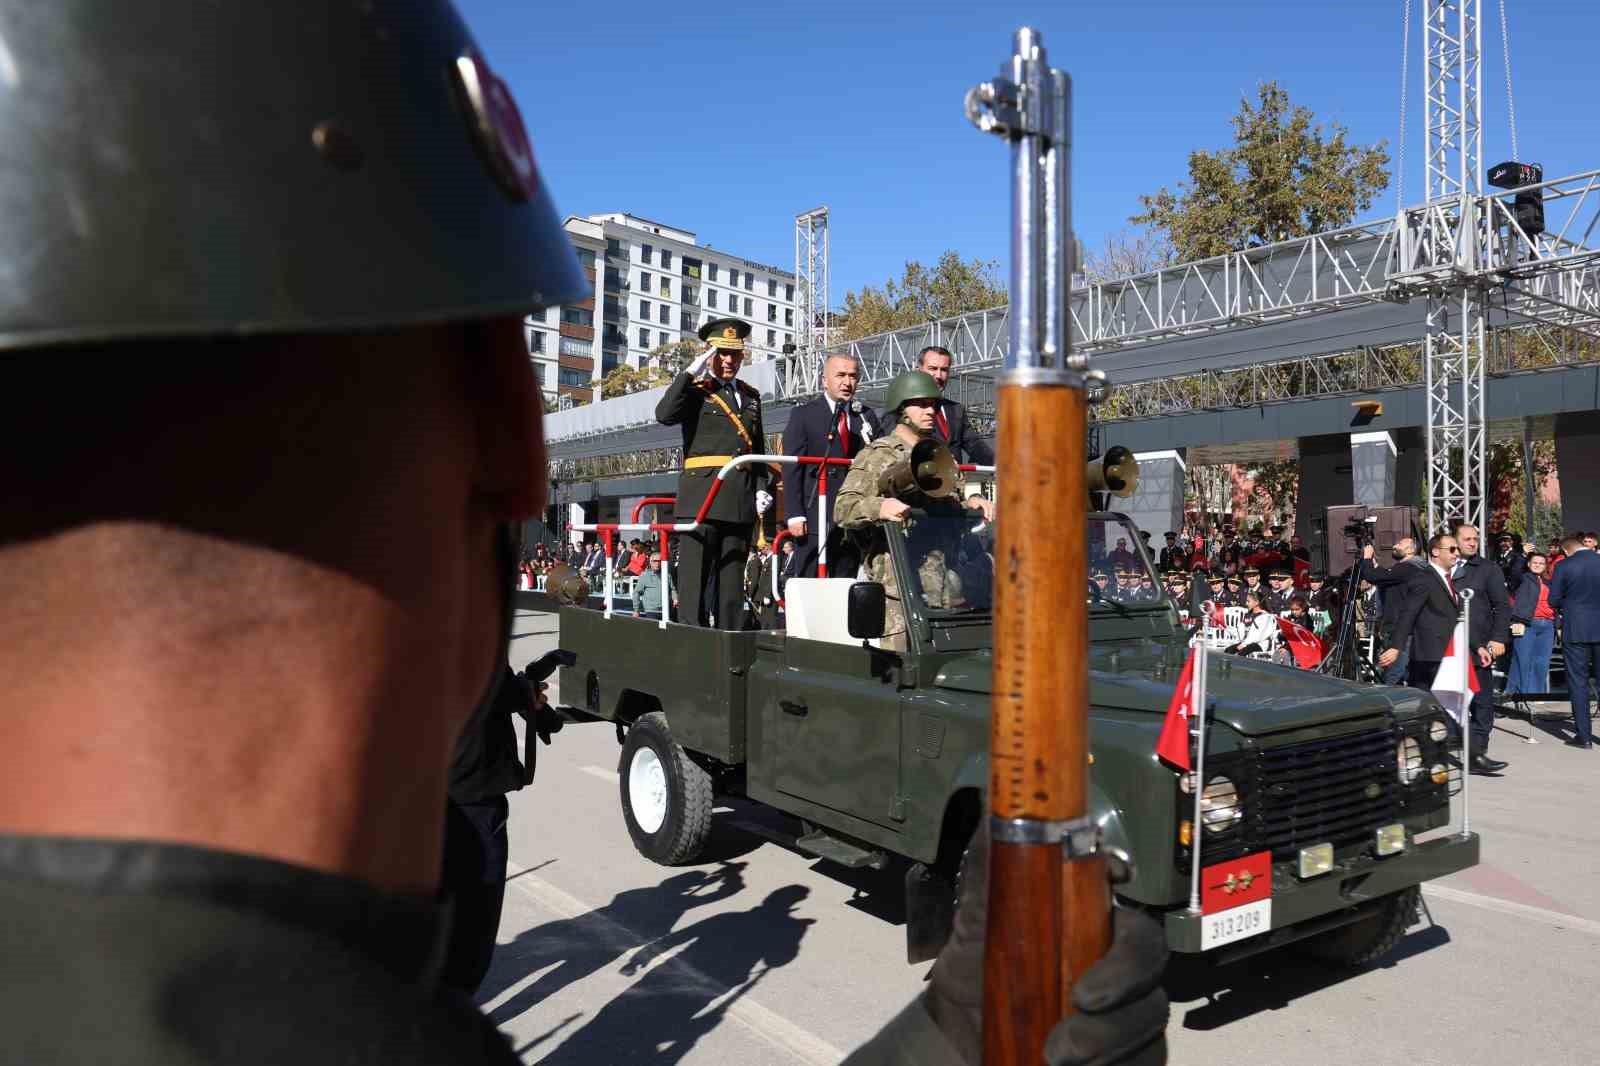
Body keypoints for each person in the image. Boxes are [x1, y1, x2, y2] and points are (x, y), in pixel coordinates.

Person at [0, 5, 1170, 1065]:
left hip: (743, 513)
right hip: (717, 512)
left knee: (726, 586)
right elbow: (703, 434)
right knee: (707, 592)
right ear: (512, 456)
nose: (902, 397)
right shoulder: (718, 400)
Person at [834, 370, 994, 652]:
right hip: (899, 593)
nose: (930, 410)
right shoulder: (878, 454)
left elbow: (952, 504)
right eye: (920, 404)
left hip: (944, 592)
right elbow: (843, 507)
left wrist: (973, 503)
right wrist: (880, 506)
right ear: (901, 407)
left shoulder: (939, 456)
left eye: (933, 404)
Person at [655, 316, 773, 629]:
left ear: (742, 356)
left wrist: (762, 485)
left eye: (734, 353)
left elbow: (757, 449)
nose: (728, 360)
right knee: (693, 584)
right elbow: (663, 414)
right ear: (710, 354)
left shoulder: (751, 396)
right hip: (702, 500)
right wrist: (688, 374)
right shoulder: (695, 390)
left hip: (738, 500)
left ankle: (729, 650)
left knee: (731, 587)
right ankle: (690, 647)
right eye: (721, 353)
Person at [1379, 533, 1502, 775]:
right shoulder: (1424, 578)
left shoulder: (1447, 579)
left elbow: (1456, 620)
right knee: (1449, 705)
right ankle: (1473, 757)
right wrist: (1396, 646)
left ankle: (1413, 757)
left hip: (1441, 654)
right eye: (1452, 549)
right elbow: (1409, 614)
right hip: (1430, 654)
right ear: (1436, 552)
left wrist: (1476, 646)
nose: (1457, 554)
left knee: (1429, 710)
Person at [783, 351, 882, 580]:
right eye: (840, 375)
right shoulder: (803, 415)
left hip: (851, 517)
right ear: (824, 380)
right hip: (815, 514)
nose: (847, 382)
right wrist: (794, 514)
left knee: (845, 582)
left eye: (853, 376)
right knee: (810, 580)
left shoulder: (865, 416)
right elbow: (792, 468)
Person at [1449, 523, 1512, 773]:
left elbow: (1502, 606)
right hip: (1444, 647)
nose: (1472, 543)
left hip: (1478, 647)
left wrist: (1497, 639)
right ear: (1454, 541)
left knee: (1482, 702)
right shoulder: (1441, 568)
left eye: (1475, 539)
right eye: (1467, 539)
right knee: (1447, 701)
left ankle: (1478, 754)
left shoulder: (1488, 569)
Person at [1549, 533, 1600, 750]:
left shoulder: (1565, 566)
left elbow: (1553, 599)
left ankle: (1584, 737)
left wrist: (1570, 603)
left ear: (1567, 550)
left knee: (1578, 683)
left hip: (1576, 628)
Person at [1361, 537, 1426, 686]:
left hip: (1401, 632)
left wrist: (1366, 558)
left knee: (1392, 675)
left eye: (1400, 544)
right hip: (1399, 629)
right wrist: (1376, 567)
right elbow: (1385, 578)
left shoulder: (1409, 567)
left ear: (1410, 550)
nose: (1395, 545)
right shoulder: (1408, 569)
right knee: (1399, 673)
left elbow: (1374, 577)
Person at [915, 346, 996, 464]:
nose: (938, 375)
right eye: (933, 368)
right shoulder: (904, 409)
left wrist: (1001, 465)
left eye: (944, 370)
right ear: (919, 370)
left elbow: (975, 446)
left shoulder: (956, 410)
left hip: (954, 480)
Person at [1505, 551, 1556, 701]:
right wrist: (1522, 555)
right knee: (1523, 660)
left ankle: (1534, 696)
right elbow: (1514, 573)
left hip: (1547, 625)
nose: (1538, 565)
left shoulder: (1549, 582)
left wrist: (1558, 624)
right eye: (1535, 563)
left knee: (1541, 662)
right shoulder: (1523, 578)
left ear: (1545, 565)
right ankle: (1522, 697)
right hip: (1526, 623)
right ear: (1528, 564)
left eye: (1541, 563)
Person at [1224, 591, 1279, 657]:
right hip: (1246, 642)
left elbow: (1258, 636)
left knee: (1241, 653)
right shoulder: (1248, 614)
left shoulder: (1265, 616)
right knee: (1228, 651)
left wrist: (1243, 644)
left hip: (1260, 644)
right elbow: (1240, 632)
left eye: (1248, 601)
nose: (1246, 603)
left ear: (1256, 602)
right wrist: (1226, 628)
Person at [633, 552, 665, 619]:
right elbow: (636, 593)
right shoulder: (644, 575)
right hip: (651, 611)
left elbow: (673, 589)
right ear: (650, 562)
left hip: (666, 611)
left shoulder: (666, 575)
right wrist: (636, 610)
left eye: (659, 561)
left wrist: (675, 598)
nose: (657, 563)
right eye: (655, 561)